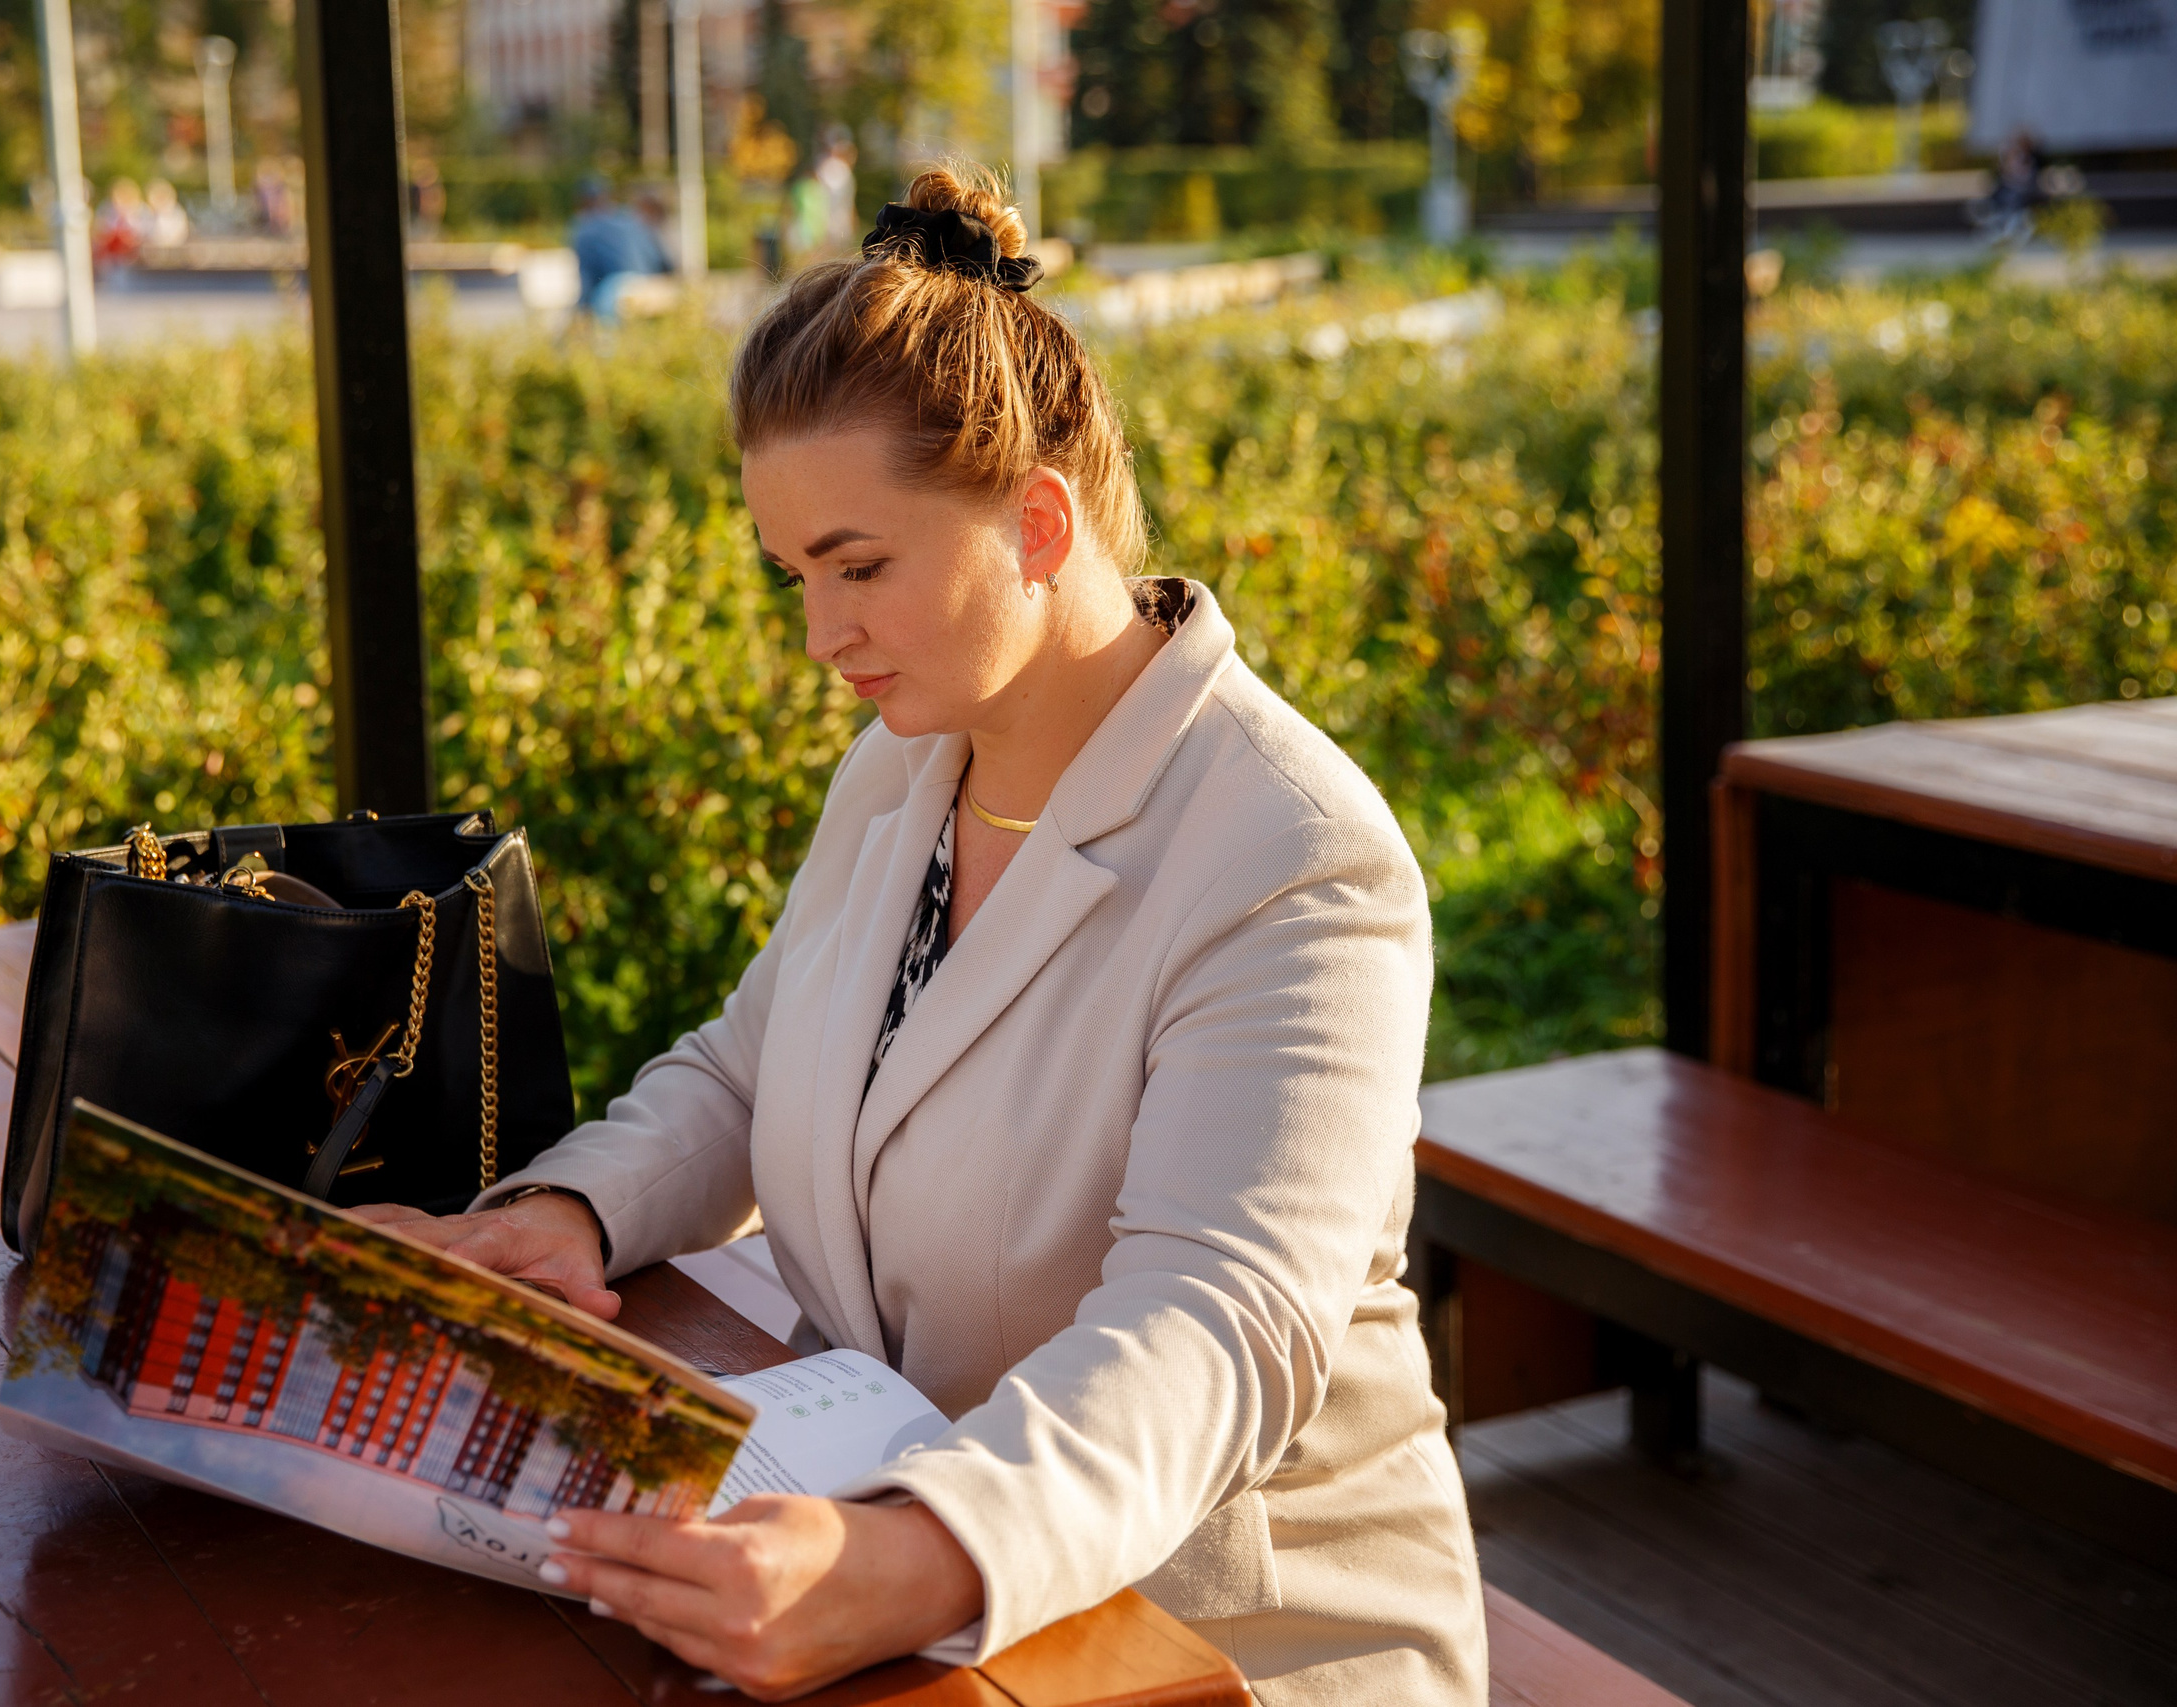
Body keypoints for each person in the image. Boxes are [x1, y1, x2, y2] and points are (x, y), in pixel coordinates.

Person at [356, 162, 1484, 1705]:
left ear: (1036, 524)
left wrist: (914, 1549)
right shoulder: (906, 766)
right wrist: (566, 1218)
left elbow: (1217, 1326)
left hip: (1217, 1647)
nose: (821, 639)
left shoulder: (1292, 854)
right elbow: (755, 1064)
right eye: (795, 577)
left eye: (859, 566)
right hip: (877, 1559)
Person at [568, 174, 671, 321]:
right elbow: (660, 260)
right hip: (651, 288)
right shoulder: (631, 219)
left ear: (582, 201)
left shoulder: (585, 226)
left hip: (617, 294)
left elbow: (586, 275)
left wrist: (580, 310)